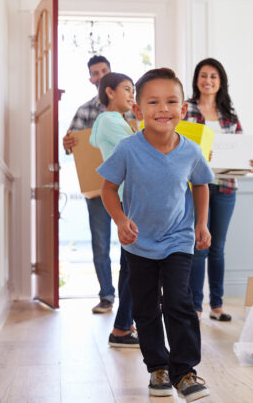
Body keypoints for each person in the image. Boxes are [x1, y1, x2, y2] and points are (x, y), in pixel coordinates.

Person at [98, 68, 213, 402]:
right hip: (139, 243)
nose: (163, 108)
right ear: (138, 110)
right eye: (153, 102)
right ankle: (157, 367)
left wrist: (201, 224)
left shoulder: (191, 150)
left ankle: (185, 371)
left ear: (183, 109)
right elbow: (108, 189)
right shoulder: (127, 149)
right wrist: (120, 220)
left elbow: (201, 184)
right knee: (146, 308)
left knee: (179, 302)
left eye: (171, 101)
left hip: (178, 239)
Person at [185, 58, 253, 322]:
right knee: (198, 245)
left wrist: (250, 161)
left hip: (227, 186)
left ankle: (217, 305)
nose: (208, 81)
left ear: (220, 82)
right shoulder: (187, 109)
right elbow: (179, 142)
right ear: (196, 80)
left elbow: (241, 148)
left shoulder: (229, 114)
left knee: (217, 247)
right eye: (203, 76)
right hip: (197, 186)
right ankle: (195, 306)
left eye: (213, 77)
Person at [62, 55, 120, 314]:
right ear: (90, 79)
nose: (99, 76)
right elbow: (73, 146)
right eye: (95, 73)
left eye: (103, 71)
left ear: (110, 73)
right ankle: (107, 295)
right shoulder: (84, 111)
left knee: (135, 242)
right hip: (96, 188)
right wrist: (68, 144)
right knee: (100, 243)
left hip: (127, 188)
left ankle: (135, 297)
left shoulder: (128, 107)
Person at [89, 72, 137, 347]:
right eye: (127, 90)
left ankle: (124, 325)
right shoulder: (109, 120)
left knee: (130, 265)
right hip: (127, 197)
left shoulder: (114, 121)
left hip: (125, 196)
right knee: (132, 267)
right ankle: (121, 329)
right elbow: (137, 147)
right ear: (110, 92)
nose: (132, 95)